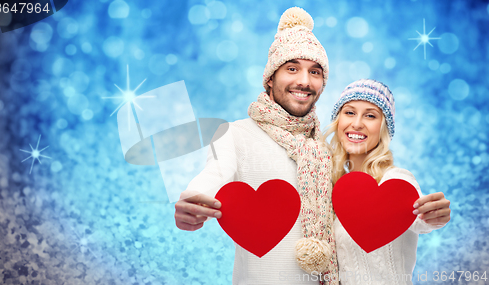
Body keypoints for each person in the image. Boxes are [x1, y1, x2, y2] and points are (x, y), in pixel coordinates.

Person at [174, 7, 339, 285]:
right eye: (292, 68)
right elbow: (214, 174)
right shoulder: (235, 134)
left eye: (315, 72)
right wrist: (191, 202)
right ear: (270, 78)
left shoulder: (325, 151)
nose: (304, 81)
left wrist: (427, 219)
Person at [323, 79, 451, 285]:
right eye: (349, 112)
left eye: (370, 115)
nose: (356, 123)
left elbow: (418, 220)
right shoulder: (334, 189)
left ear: (384, 128)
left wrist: (434, 216)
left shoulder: (395, 179)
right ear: (338, 121)